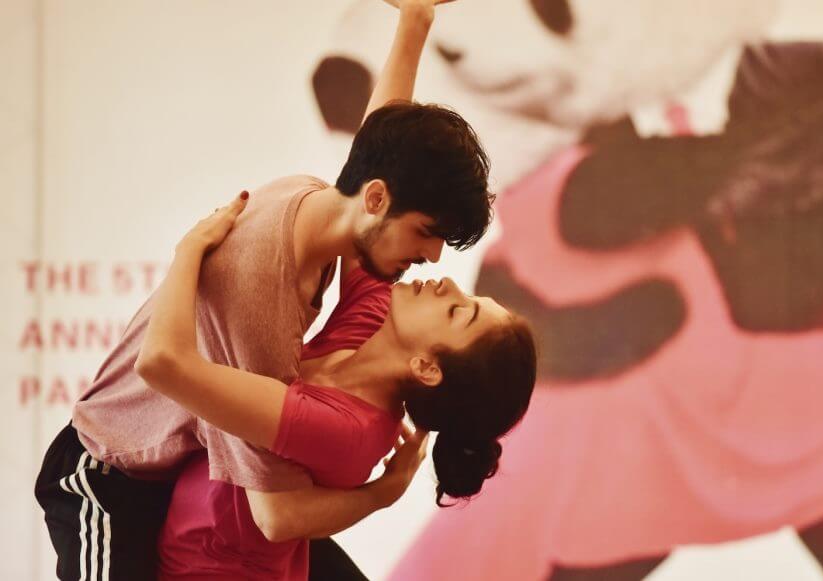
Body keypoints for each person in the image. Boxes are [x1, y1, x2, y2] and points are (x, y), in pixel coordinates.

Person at [34, 1, 485, 579]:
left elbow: (383, 147)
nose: (433, 258)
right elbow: (276, 513)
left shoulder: (323, 204)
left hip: (177, 472)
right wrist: (383, 492)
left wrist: (414, 21)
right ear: (376, 200)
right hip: (108, 478)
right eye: (425, 233)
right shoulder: (258, 306)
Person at [136, 195, 535, 579]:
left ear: (427, 367)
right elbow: (366, 205)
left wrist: (189, 250)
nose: (447, 282)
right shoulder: (370, 328)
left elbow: (162, 363)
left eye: (457, 311)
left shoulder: (348, 428)